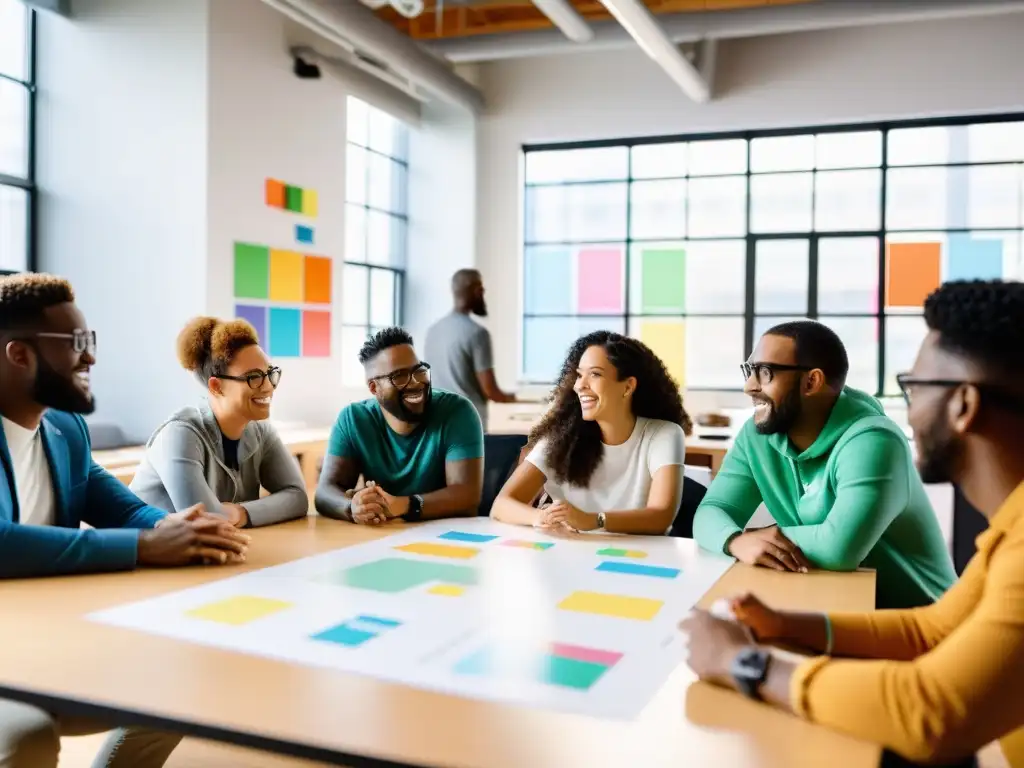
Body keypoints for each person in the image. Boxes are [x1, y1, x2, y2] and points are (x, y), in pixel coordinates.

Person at [680, 280, 1024, 768]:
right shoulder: (1011, 526)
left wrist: (741, 662)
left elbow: (931, 710)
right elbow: (934, 630)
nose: (908, 407)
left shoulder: (874, 440)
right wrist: (785, 625)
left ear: (964, 405)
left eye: (915, 387)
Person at [0, 273, 249, 768]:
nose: (90, 357)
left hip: (42, 640)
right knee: (26, 734)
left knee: (183, 676)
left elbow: (124, 508)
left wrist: (174, 529)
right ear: (19, 355)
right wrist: (142, 547)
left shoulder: (65, 428)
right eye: (77, 343)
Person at [692, 320, 954, 609]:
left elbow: (839, 548)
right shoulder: (756, 436)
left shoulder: (874, 440)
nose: (749, 386)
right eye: (749, 371)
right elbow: (711, 511)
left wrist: (759, 538)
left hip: (921, 619)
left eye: (765, 373)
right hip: (830, 599)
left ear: (811, 382)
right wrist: (734, 540)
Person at [491, 331, 690, 535]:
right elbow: (501, 505)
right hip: (572, 554)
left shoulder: (664, 434)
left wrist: (595, 520)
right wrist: (541, 517)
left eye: (595, 374)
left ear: (628, 386)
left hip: (637, 558)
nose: (580, 385)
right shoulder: (560, 437)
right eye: (579, 375)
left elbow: (660, 517)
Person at [130, 316, 308, 528]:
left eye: (270, 373)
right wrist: (230, 515)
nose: (268, 386)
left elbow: (298, 497)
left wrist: (239, 512)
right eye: (253, 377)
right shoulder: (180, 434)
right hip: (144, 555)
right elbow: (206, 519)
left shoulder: (261, 430)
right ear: (216, 386)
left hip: (204, 553)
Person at [315, 327, 484, 523]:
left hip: (447, 536)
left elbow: (466, 497)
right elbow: (325, 492)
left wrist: (403, 505)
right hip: (387, 536)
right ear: (374, 388)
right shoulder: (353, 419)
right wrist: (353, 507)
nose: (416, 383)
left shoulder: (457, 411)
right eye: (399, 376)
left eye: (419, 371)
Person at [423, 268, 515, 427]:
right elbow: (490, 391)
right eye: (481, 288)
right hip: (468, 424)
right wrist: (512, 398)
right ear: (476, 290)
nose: (483, 292)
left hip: (437, 421)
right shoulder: (478, 333)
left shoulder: (432, 331)